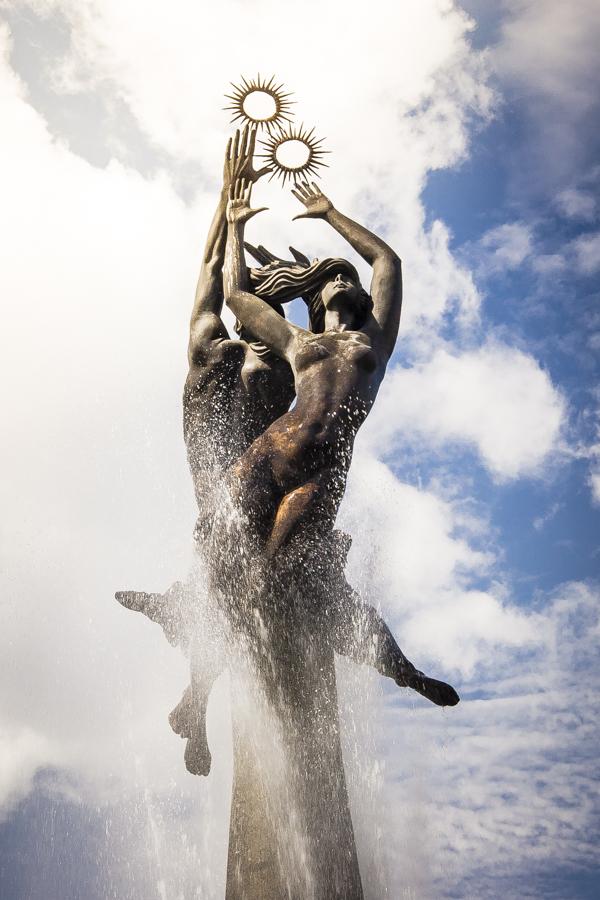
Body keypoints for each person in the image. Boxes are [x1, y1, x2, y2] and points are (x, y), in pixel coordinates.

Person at [223, 177, 459, 707]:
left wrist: (330, 213)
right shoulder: (297, 340)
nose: (342, 282)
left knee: (272, 576)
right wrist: (235, 227)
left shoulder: (375, 340)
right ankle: (200, 670)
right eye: (333, 278)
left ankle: (400, 672)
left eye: (348, 278)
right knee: (218, 537)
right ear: (318, 295)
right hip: (269, 450)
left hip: (318, 473)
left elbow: (388, 263)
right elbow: (237, 296)